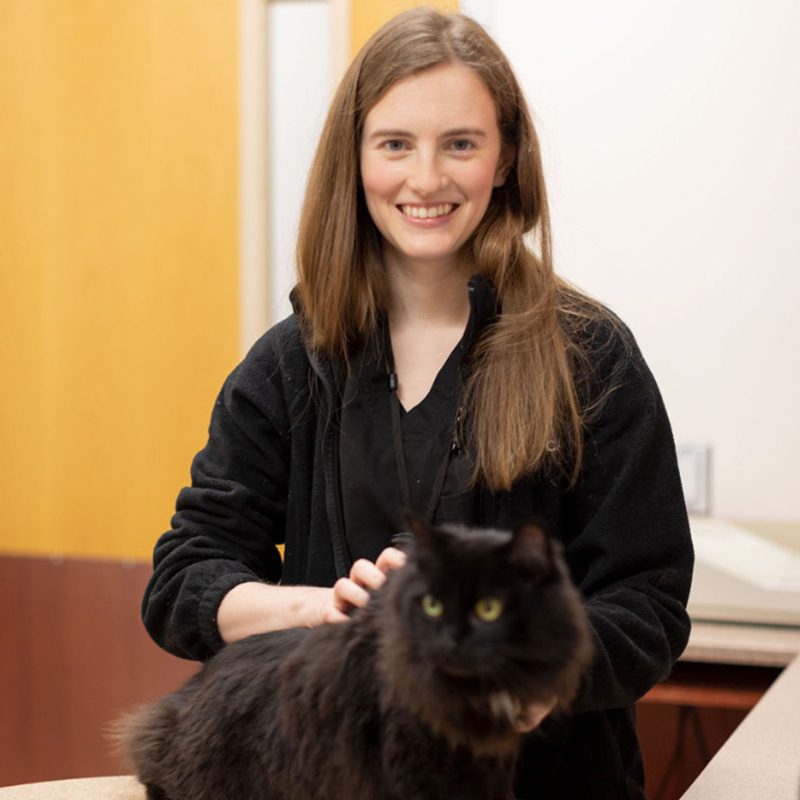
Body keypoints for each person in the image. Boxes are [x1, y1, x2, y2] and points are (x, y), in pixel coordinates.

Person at [142, 8, 693, 799]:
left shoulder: (590, 357)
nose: (426, 179)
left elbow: (649, 608)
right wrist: (314, 606)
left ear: (505, 160)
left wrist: (525, 686)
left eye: (460, 144)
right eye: (395, 143)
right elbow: (181, 583)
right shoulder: (286, 367)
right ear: (355, 159)